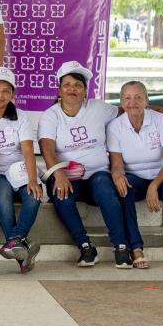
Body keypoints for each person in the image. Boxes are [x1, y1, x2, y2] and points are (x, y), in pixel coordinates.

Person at [38, 60, 131, 268]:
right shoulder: (51, 116)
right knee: (61, 196)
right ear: (59, 89)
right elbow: (47, 149)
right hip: (69, 178)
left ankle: (121, 246)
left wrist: (158, 112)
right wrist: (58, 174)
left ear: (85, 90)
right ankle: (85, 246)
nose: (72, 89)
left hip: (98, 175)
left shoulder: (98, 108)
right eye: (67, 84)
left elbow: (128, 111)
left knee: (106, 189)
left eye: (78, 85)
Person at [107, 81, 163, 269]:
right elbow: (117, 164)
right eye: (127, 98)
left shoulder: (160, 120)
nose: (133, 102)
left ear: (146, 100)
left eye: (138, 97)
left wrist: (154, 185)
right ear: (121, 102)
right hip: (135, 175)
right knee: (124, 190)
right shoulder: (115, 126)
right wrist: (118, 176)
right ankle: (136, 248)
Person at [0, 67, 42, 273]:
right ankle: (21, 254)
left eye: (6, 91)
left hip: (19, 168)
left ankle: (14, 241)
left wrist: (33, 179)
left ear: (13, 94)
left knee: (33, 197)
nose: (0, 95)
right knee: (4, 198)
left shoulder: (20, 116)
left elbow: (27, 150)